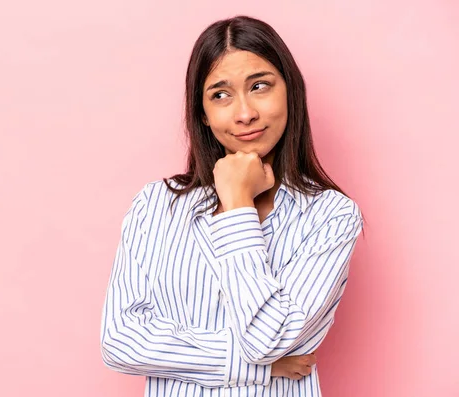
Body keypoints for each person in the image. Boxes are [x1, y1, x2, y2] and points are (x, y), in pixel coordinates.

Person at [100, 15, 363, 397]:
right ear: (203, 114)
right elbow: (120, 341)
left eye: (260, 86)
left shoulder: (331, 216)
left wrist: (238, 203)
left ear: (290, 91)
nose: (244, 114)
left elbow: (267, 339)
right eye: (220, 94)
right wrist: (261, 368)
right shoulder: (156, 206)